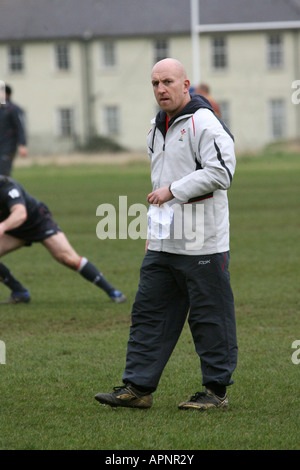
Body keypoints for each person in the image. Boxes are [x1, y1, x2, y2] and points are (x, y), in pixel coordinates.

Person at [95, 58, 237, 411]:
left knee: (209, 319)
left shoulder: (205, 122)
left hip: (203, 242)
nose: (161, 89)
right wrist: (153, 232)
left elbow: (222, 172)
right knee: (148, 313)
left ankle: (216, 392)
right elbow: (158, 185)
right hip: (163, 243)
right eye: (155, 83)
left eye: (168, 82)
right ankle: (138, 388)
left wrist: (174, 189)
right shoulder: (156, 127)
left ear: (185, 84)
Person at [0, 176, 126, 304]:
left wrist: (2, 226)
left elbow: (20, 213)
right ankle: (19, 292)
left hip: (38, 223)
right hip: (14, 231)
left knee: (68, 258)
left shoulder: (7, 186)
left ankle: (112, 292)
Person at [0, 84, 28, 176]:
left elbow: (20, 126)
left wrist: (22, 144)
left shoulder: (13, 109)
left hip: (7, 146)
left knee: (3, 172)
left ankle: (5, 189)